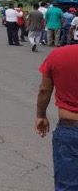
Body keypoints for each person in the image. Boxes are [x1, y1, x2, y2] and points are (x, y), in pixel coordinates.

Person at [35, 44, 78, 189]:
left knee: (68, 185)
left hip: (70, 128)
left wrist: (41, 115)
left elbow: (44, 89)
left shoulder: (58, 55)